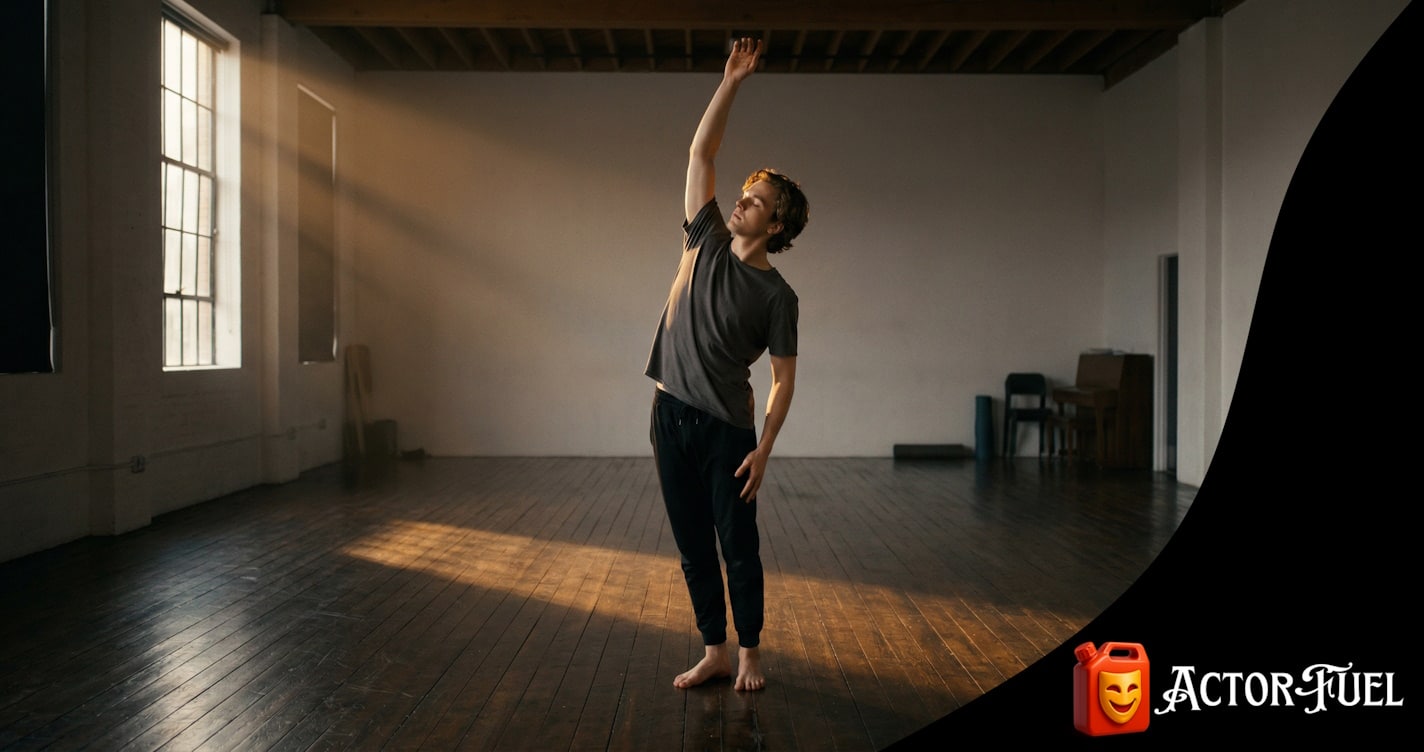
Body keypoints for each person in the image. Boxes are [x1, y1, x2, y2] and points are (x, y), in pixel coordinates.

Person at [645, 37, 809, 692]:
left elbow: (784, 378)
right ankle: (713, 648)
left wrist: (765, 448)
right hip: (668, 415)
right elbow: (700, 153)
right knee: (692, 547)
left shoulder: (778, 296)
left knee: (738, 548)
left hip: (726, 434)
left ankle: (749, 654)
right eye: (746, 191)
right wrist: (731, 80)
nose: (742, 199)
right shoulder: (704, 235)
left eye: (758, 200)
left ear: (774, 226)